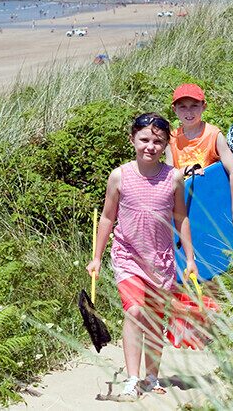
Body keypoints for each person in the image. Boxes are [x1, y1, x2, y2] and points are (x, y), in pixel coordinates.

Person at [86, 113, 197, 400]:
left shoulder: (174, 177)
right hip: (128, 257)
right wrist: (97, 257)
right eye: (144, 139)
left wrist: (192, 260)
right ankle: (132, 378)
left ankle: (151, 376)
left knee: (155, 319)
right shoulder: (119, 176)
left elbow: (182, 218)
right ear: (132, 140)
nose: (150, 146)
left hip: (160, 262)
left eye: (158, 141)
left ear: (166, 144)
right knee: (134, 311)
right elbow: (108, 218)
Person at [170, 84, 233, 231]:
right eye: (182, 107)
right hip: (185, 204)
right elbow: (169, 177)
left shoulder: (213, 135)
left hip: (212, 199)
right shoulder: (172, 138)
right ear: (174, 109)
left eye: (194, 106)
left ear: (203, 106)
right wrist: (186, 170)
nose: (189, 112)